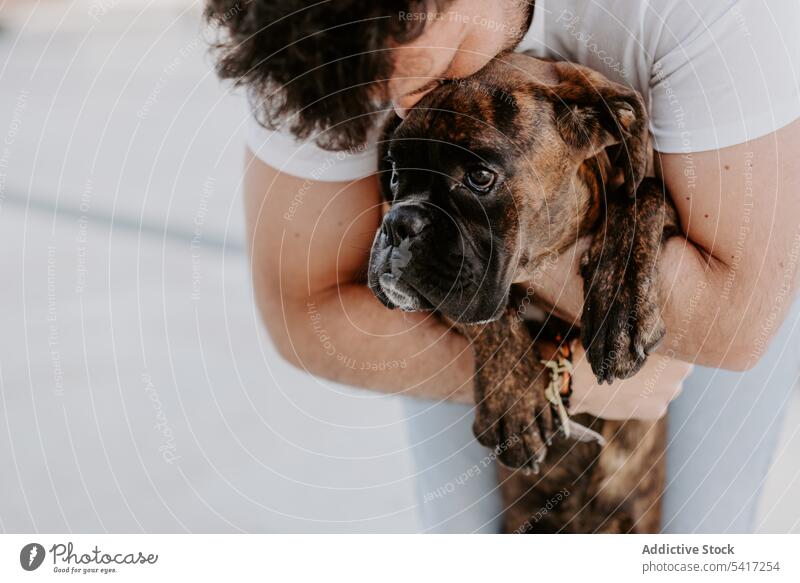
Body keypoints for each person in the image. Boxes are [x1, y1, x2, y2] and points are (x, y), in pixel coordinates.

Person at [206, 0, 800, 532]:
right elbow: (302, 309)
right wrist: (548, 372)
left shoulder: (703, 14)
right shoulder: (309, 57)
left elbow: (738, 320)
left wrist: (620, 221)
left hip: (723, 249)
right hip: (481, 300)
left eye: (401, 53)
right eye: (374, 102)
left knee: (704, 534)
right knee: (463, 533)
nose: (401, 100)